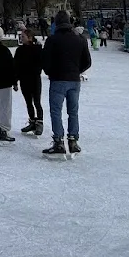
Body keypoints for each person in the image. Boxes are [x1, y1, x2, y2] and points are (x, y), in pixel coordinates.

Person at [41, 10, 91, 156]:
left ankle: (58, 141)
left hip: (58, 79)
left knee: (56, 111)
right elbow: (87, 61)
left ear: (56, 22)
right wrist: (76, 71)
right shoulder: (80, 39)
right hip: (74, 80)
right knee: (73, 111)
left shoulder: (52, 40)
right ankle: (73, 140)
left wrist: (50, 72)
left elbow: (45, 61)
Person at [14, 28, 44, 136]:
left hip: (35, 79)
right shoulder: (19, 50)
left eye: (23, 36)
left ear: (30, 37)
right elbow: (16, 66)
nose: (21, 38)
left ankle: (39, 123)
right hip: (24, 79)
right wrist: (15, 81)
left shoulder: (37, 49)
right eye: (21, 36)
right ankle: (32, 121)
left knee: (37, 102)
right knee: (28, 102)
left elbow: (41, 63)